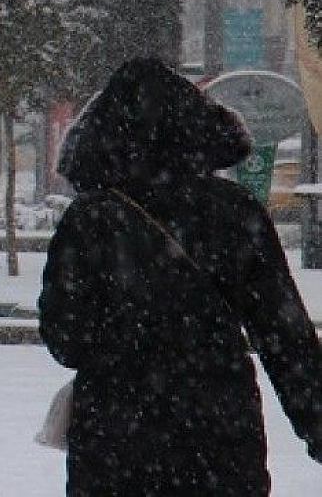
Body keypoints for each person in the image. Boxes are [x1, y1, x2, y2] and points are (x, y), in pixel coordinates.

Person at [38, 58, 322, 496]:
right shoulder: (234, 212)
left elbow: (66, 340)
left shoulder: (90, 220)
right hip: (218, 435)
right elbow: (285, 335)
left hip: (115, 443)